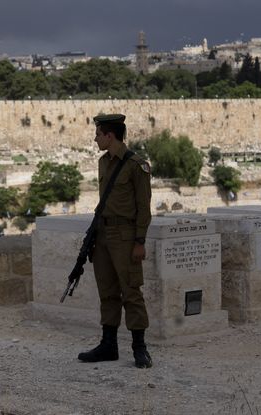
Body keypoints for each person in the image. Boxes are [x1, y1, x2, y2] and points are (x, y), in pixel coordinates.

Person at [77, 113, 153, 368]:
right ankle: (108, 345)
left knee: (131, 291)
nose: (95, 138)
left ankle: (139, 348)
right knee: (107, 292)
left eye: (98, 134)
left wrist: (139, 241)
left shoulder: (136, 166)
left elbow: (144, 208)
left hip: (125, 236)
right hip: (104, 235)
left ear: (110, 135)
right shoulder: (102, 163)